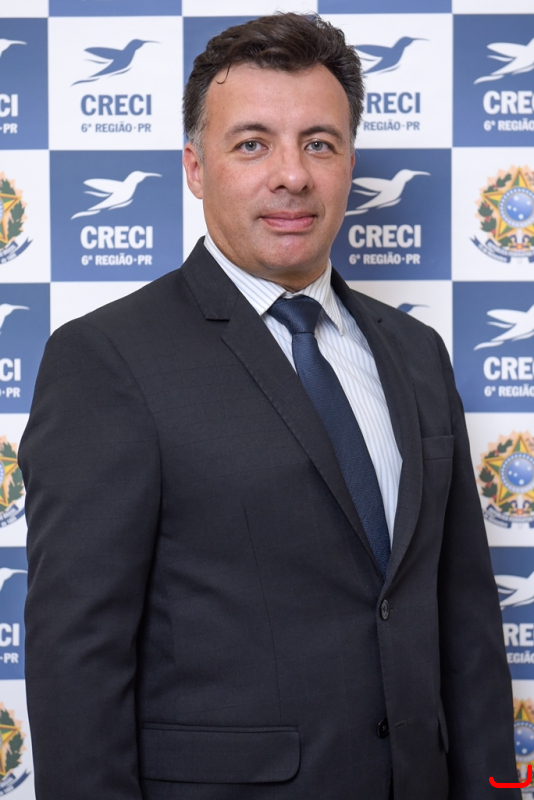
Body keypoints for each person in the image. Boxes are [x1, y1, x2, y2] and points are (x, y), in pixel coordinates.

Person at [20, 13, 519, 800]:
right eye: (252, 144)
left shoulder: (416, 353)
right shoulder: (107, 360)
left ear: (348, 161)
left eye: (319, 143)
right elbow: (75, 660)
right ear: (196, 168)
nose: (292, 175)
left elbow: (466, 626)